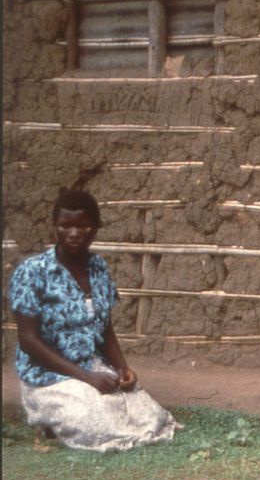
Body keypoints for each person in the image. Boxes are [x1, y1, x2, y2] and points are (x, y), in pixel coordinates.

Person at [9, 189, 181, 452]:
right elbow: (28, 340)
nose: (74, 233)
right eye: (65, 225)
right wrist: (86, 378)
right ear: (55, 226)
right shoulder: (33, 273)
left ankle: (66, 418)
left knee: (151, 416)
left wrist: (123, 368)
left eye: (83, 225)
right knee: (95, 419)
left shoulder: (99, 268)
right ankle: (50, 419)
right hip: (48, 376)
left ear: (97, 227)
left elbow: (105, 329)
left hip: (92, 366)